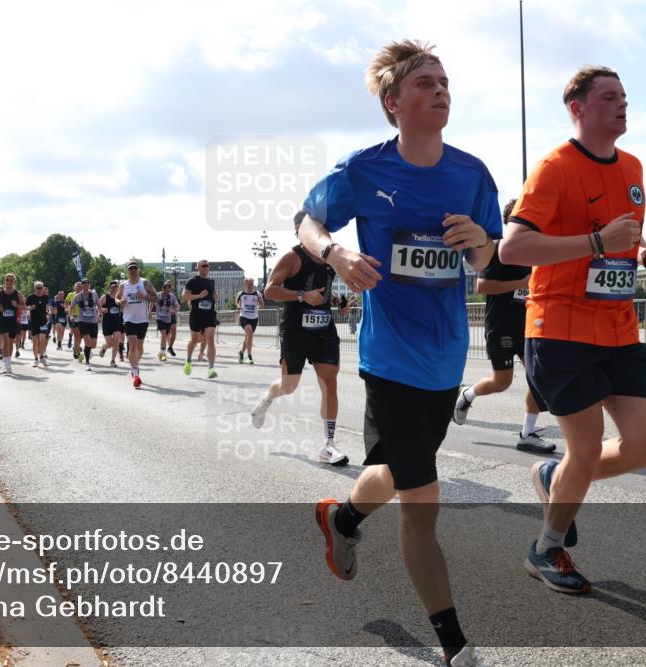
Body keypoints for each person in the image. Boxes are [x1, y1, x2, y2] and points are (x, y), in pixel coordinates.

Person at [301, 41, 500, 667]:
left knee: (394, 467)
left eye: (444, 82)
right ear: (393, 102)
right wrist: (336, 253)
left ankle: (343, 519)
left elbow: (489, 257)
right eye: (425, 83)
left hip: (446, 357)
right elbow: (307, 221)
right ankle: (455, 645)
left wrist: (480, 241)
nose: (440, 90)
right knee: (423, 498)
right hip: (389, 357)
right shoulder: (365, 169)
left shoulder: (472, 174)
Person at [499, 65, 646, 596]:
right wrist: (597, 243)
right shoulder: (555, 167)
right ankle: (546, 547)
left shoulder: (633, 166)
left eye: (625, 96)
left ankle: (555, 478)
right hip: (561, 326)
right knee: (588, 446)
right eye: (609, 97)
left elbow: (623, 239)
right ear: (578, 107)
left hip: (619, 326)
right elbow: (513, 248)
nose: (623, 104)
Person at [452, 198, 555, 454]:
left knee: (538, 378)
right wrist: (519, 283)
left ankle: (527, 434)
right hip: (501, 325)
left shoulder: (534, 252)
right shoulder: (498, 249)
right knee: (502, 382)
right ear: (511, 222)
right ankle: (466, 395)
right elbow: (482, 286)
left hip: (529, 325)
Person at [251, 213, 351, 466]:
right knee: (289, 386)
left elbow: (326, 290)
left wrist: (341, 303)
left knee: (330, 382)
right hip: (295, 331)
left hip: (324, 330)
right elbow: (270, 290)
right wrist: (301, 295)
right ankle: (266, 399)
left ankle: (328, 445)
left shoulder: (330, 259)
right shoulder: (292, 257)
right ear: (299, 231)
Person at [119, 261, 156, 388]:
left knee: (140, 347)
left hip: (142, 320)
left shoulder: (145, 283)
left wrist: (144, 297)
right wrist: (120, 302)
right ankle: (135, 373)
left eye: (135, 268)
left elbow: (156, 298)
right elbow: (117, 297)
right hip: (129, 319)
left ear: (138, 270)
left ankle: (135, 365)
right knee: (132, 345)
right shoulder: (123, 285)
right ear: (128, 270)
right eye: (131, 268)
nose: (133, 270)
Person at [182, 260, 219, 378]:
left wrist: (215, 296)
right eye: (204, 265)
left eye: (208, 266)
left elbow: (213, 295)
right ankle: (188, 361)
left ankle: (211, 369)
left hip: (210, 315)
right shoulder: (192, 281)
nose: (206, 267)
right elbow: (184, 296)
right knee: (194, 340)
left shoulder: (211, 282)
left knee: (210, 339)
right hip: (196, 315)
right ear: (198, 268)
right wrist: (199, 296)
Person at [0, 274, 25, 374]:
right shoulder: (0, 293)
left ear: (14, 282)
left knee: (11, 342)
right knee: (5, 341)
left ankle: (9, 362)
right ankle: (5, 364)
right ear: (5, 281)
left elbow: (23, 306)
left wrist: (17, 305)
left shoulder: (18, 294)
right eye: (7, 280)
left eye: (11, 280)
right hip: (3, 320)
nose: (9, 282)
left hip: (13, 321)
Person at [71, 279, 100, 370]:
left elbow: (99, 305)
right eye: (84, 284)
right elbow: (70, 307)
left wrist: (100, 315)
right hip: (82, 321)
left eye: (87, 284)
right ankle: (87, 362)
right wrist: (71, 316)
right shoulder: (78, 296)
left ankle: (86, 349)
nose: (86, 286)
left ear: (89, 285)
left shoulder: (94, 294)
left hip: (93, 322)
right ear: (82, 286)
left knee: (93, 344)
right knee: (87, 341)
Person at [236, 277, 265, 364]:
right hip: (244, 317)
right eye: (249, 284)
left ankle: (241, 353)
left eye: (252, 284)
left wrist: (260, 302)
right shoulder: (241, 294)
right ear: (245, 284)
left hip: (254, 318)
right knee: (250, 333)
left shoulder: (257, 293)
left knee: (248, 336)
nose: (250, 286)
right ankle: (249, 356)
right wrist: (238, 306)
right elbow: (237, 302)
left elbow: (262, 306)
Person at [26, 281, 52, 367]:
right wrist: (30, 308)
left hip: (43, 322)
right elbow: (24, 307)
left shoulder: (45, 297)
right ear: (35, 288)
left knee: (42, 340)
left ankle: (41, 357)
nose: (40, 289)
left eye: (41, 288)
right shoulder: (31, 297)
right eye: (38, 288)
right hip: (34, 322)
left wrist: (48, 312)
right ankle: (35, 359)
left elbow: (47, 307)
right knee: (35, 342)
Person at [153, 281, 179, 362]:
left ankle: (161, 353)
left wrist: (175, 310)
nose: (168, 292)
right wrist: (149, 312)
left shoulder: (172, 296)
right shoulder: (157, 295)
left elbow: (177, 305)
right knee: (163, 334)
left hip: (168, 319)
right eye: (166, 290)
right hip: (159, 318)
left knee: (167, 335)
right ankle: (163, 354)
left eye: (169, 291)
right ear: (163, 289)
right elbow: (151, 303)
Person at [99, 281, 124, 367]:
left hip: (117, 322)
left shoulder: (120, 298)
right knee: (110, 344)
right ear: (109, 288)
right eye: (112, 287)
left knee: (117, 341)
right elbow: (98, 307)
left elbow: (123, 309)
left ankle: (113, 360)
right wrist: (103, 310)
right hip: (107, 323)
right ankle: (105, 347)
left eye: (116, 287)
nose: (114, 288)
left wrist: (122, 309)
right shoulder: (104, 297)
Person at [66, 281, 82, 361]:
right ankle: (78, 354)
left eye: (80, 286)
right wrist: (67, 309)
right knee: (76, 335)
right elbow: (66, 302)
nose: (79, 287)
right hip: (73, 317)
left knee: (80, 336)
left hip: (82, 318)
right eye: (77, 286)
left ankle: (76, 348)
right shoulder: (70, 295)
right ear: (74, 287)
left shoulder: (84, 295)